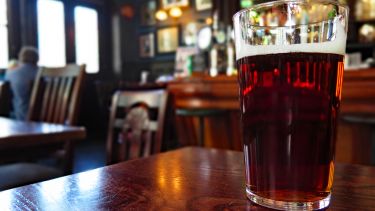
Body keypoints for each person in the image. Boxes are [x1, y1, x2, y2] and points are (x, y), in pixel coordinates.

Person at [5, 47, 39, 120]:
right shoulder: (43, 73)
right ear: (37, 58)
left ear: (21, 57)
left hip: (20, 117)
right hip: (45, 117)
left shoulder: (11, 73)